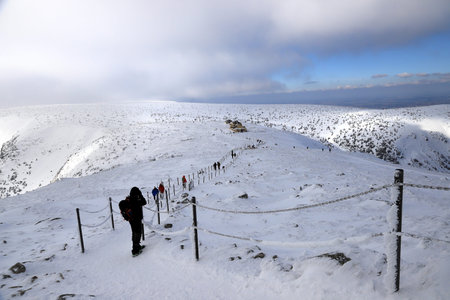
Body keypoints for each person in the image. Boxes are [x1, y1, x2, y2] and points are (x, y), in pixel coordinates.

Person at [119, 187, 146, 256]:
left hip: (131, 220)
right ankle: (135, 250)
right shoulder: (136, 200)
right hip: (136, 219)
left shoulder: (128, 199)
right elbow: (144, 202)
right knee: (137, 233)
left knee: (134, 232)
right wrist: (140, 195)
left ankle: (136, 247)